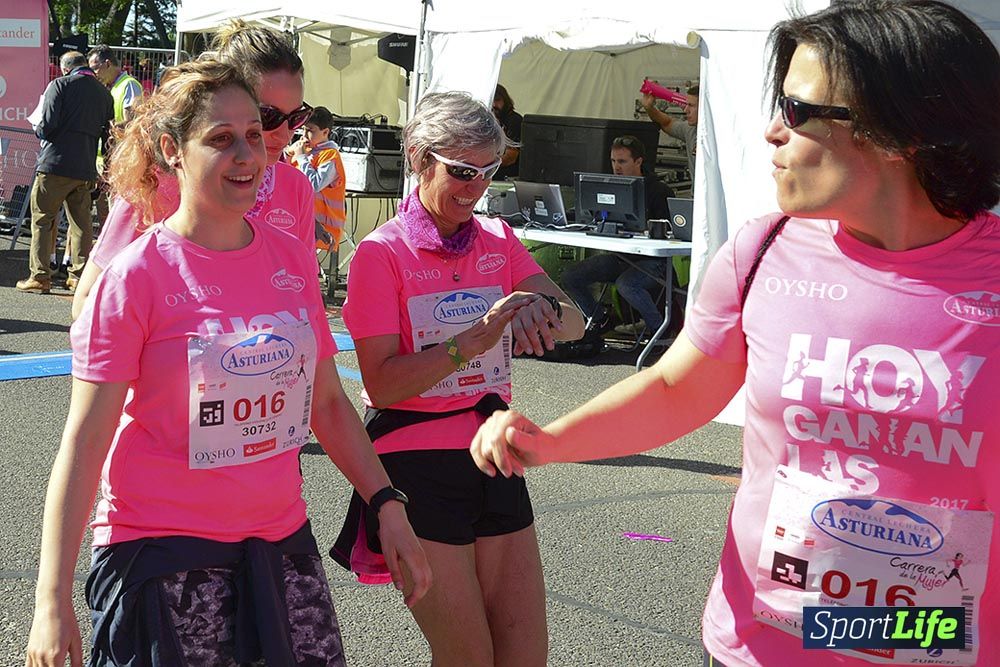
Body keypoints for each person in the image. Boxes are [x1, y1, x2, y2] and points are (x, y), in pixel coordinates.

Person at [471, 1, 1000, 666]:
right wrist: (550, 441)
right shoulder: (762, 253)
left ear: (902, 128)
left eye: (798, 111)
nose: (773, 132)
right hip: (759, 646)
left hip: (938, 647)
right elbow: (677, 388)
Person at [24, 60, 430, 667]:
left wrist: (387, 504)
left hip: (280, 543)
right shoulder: (135, 278)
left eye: (253, 135)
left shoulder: (291, 261)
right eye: (220, 138)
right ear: (173, 151)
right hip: (163, 551)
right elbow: (85, 442)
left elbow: (325, 402)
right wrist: (51, 599)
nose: (246, 155)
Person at [332, 91, 584, 667]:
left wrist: (542, 308)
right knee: (467, 657)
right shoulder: (380, 254)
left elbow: (574, 322)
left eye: (490, 171)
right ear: (421, 159)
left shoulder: (498, 239)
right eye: (463, 172)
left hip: (494, 453)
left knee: (524, 657)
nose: (477, 187)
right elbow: (382, 384)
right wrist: (467, 344)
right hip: (416, 462)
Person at [70, 19, 316, 320]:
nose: (285, 134)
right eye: (268, 117)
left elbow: (305, 299)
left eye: (297, 117)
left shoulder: (295, 188)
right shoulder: (161, 184)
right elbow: (88, 303)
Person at [16, 51, 113, 295]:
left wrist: (38, 129)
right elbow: (108, 138)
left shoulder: (59, 85)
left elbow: (47, 125)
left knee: (42, 219)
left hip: (54, 165)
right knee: (81, 225)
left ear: (65, 68)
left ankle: (40, 276)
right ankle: (79, 277)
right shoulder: (104, 94)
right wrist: (106, 169)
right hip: (85, 168)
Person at [561, 135, 674, 337]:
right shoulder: (609, 185)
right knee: (571, 276)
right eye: (613, 161)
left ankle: (660, 331)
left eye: (622, 161)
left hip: (653, 262)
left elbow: (668, 230)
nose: (616, 167)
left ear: (638, 161)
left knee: (627, 285)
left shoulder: (659, 190)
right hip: (622, 258)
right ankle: (599, 319)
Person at [87, 45, 144, 237]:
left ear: (107, 64)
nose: (94, 74)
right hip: (106, 157)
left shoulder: (129, 85)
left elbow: (133, 121)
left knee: (116, 208)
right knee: (104, 208)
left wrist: (105, 126)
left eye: (95, 68)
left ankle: (116, 245)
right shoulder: (109, 87)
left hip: (121, 158)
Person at [285, 105, 348, 253]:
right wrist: (288, 153)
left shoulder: (330, 155)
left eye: (310, 130)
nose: (304, 135)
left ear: (325, 132)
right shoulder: (304, 151)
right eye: (303, 129)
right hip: (298, 221)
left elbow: (314, 185)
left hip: (323, 228)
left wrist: (301, 157)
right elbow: (285, 175)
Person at [642, 83, 698, 181]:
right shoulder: (690, 129)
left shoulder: (722, 135)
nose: (686, 110)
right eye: (686, 104)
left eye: (691, 105)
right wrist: (649, 108)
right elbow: (666, 123)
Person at [492, 84, 523, 181]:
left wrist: (488, 165)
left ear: (505, 101)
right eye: (491, 100)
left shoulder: (514, 121)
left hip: (508, 175)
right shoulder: (492, 120)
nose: (494, 105)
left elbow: (510, 158)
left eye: (497, 100)